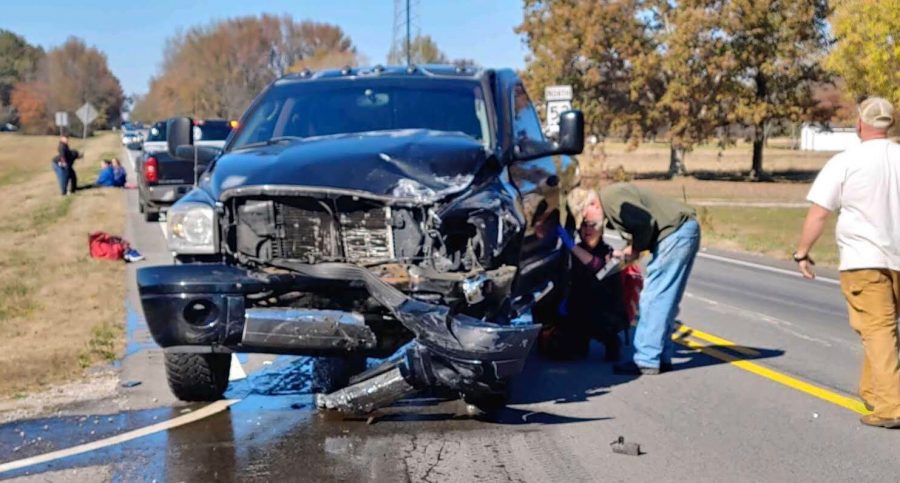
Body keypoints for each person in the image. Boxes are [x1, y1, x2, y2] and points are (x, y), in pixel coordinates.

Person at [794, 97, 900, 429]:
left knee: (877, 329)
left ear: (859, 123)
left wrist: (802, 251)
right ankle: (873, 391)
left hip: (863, 259)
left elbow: (820, 212)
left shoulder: (846, 161)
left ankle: (892, 406)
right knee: (880, 328)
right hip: (897, 257)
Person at [593, 183, 700, 375]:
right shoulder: (611, 197)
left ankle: (646, 359)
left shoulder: (610, 200)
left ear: (593, 204)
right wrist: (629, 249)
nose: (590, 225)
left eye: (587, 219)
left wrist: (634, 250)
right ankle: (661, 357)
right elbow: (641, 223)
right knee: (666, 300)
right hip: (684, 230)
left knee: (653, 298)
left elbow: (644, 223)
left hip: (674, 234)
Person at [550, 208, 629, 361]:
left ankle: (612, 342)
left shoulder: (608, 252)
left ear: (601, 229)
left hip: (604, 311)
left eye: (592, 225)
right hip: (580, 308)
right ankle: (580, 341)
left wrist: (572, 246)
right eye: (584, 225)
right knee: (565, 351)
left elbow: (597, 266)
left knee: (601, 324)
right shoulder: (576, 250)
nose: (588, 229)